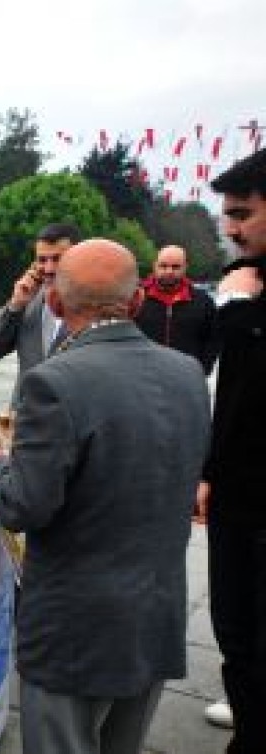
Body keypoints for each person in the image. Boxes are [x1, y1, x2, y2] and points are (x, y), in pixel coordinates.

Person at [0, 240, 210, 754]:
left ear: (57, 306)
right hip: (155, 618)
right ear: (135, 303)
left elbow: (23, 506)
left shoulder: (54, 383)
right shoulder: (188, 375)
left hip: (75, 634)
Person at [197, 147, 266, 752]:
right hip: (235, 497)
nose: (231, 228)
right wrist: (210, 471)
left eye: (242, 213)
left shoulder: (246, 295)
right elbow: (236, 398)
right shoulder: (249, 282)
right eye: (227, 215)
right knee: (235, 634)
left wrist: (241, 311)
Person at [0, 222, 82, 404]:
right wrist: (15, 305)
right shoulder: (27, 300)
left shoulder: (94, 306)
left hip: (72, 419)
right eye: (42, 260)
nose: (49, 268)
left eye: (58, 259)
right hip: (27, 419)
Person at [134, 244, 219, 375]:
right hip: (142, 375)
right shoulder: (136, 298)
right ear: (154, 266)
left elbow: (213, 340)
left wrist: (202, 370)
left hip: (187, 377)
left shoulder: (203, 301)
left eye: (175, 267)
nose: (169, 271)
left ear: (185, 267)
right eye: (163, 266)